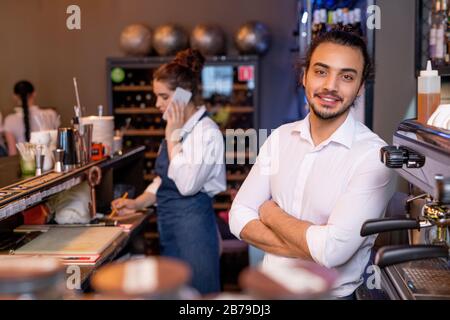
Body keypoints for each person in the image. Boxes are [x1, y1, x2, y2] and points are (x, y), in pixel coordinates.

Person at [229, 29, 395, 299]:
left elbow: (333, 251)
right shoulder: (281, 138)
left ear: (361, 86)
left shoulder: (374, 157)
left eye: (346, 76)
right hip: (272, 293)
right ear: (304, 75)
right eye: (321, 71)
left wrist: (270, 213)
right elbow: (239, 216)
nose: (331, 86)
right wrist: (310, 248)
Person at [111, 49, 226, 295]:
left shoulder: (207, 133)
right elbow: (165, 177)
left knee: (198, 295)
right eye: (156, 96)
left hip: (194, 230)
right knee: (175, 292)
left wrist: (172, 138)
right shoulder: (176, 128)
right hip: (170, 226)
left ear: (184, 95)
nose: (157, 104)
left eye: (163, 96)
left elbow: (186, 185)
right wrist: (136, 203)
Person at [3, 80, 60, 155]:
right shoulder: (51, 114)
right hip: (51, 160)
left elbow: (12, 152)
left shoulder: (9, 120)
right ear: (34, 93)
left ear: (14, 96)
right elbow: (58, 142)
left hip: (26, 163)